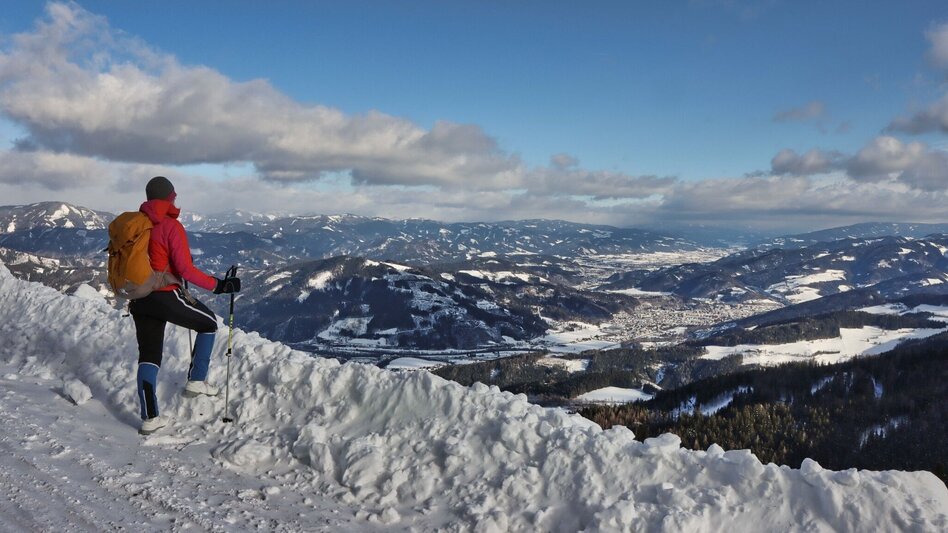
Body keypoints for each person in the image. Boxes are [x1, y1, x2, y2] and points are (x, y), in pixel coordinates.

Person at [131, 176, 241, 435]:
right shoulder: (170, 226)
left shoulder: (137, 225)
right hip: (165, 294)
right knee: (209, 324)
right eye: (174, 195)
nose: (176, 198)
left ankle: (150, 418)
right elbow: (184, 269)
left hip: (139, 298)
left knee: (149, 356)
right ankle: (196, 381)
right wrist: (219, 285)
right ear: (168, 197)